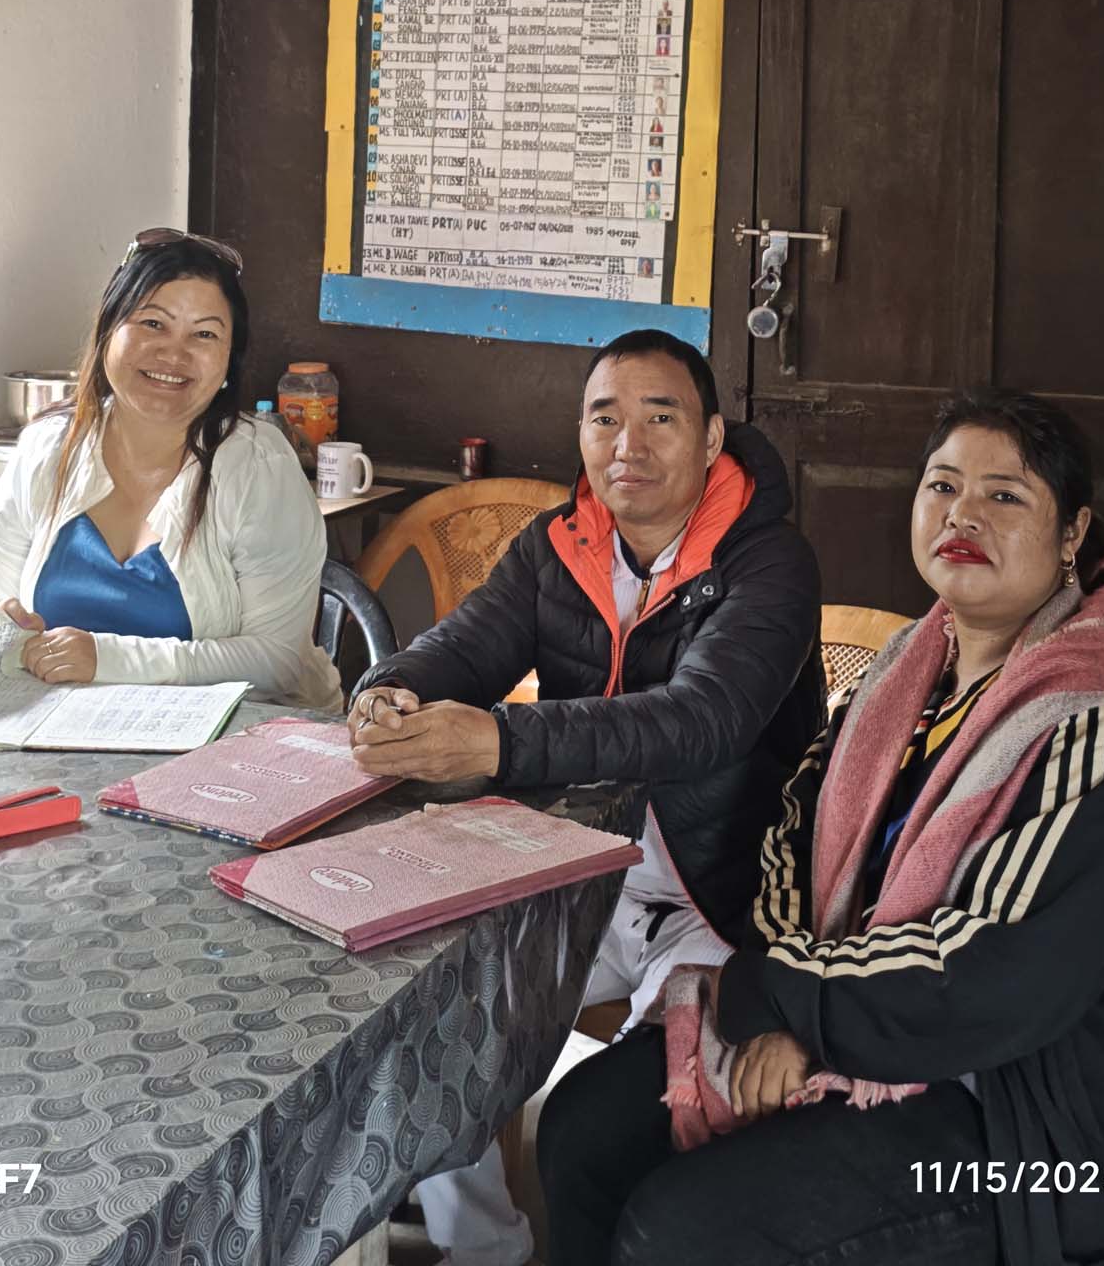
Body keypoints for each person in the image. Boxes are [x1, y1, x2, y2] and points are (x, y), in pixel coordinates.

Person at [538, 386, 1104, 1266]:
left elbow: (984, 975)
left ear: (1072, 532)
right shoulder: (910, 674)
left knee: (682, 1232)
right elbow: (794, 838)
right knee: (580, 1132)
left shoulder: (1101, 726)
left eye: (1005, 495)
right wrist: (786, 1009)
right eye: (942, 486)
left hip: (1028, 1123)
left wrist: (786, 1004)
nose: (963, 514)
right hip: (859, 1027)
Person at [348, 329, 821, 1266]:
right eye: (605, 419)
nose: (627, 446)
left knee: (622, 1127)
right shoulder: (557, 546)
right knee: (426, 1024)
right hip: (576, 872)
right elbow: (463, 647)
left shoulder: (769, 563)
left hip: (721, 901)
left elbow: (701, 722)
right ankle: (487, 1250)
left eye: (660, 418)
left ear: (711, 438)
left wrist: (500, 739)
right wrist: (388, 691)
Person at [0, 229, 341, 709]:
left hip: (233, 739)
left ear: (229, 362)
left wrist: (107, 659)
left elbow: (275, 663)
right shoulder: (48, 449)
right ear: (108, 331)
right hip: (59, 727)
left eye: (204, 334)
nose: (174, 354)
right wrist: (1, 631)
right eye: (153, 324)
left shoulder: (259, 467)